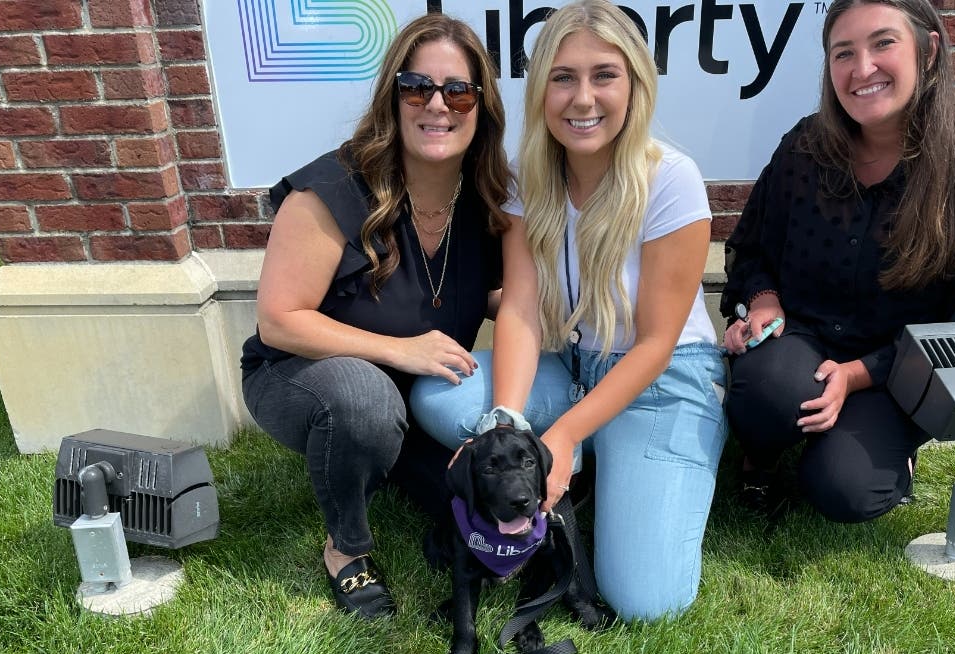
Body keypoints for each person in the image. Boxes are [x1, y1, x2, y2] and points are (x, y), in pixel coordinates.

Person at [412, 0, 727, 621]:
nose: (583, 98)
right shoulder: (529, 179)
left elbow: (657, 344)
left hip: (666, 380)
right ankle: (592, 458)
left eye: (604, 75)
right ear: (541, 91)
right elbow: (523, 309)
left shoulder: (672, 179)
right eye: (563, 77)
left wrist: (560, 435)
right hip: (577, 366)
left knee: (647, 601)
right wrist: (505, 417)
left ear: (635, 83)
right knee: (437, 397)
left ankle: (620, 458)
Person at [240, 14, 511, 619]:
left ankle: (376, 457)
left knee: (472, 501)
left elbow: (473, 293)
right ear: (393, 97)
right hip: (302, 373)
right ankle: (347, 548)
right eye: (417, 87)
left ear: (481, 107)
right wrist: (402, 350)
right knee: (363, 404)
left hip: (415, 395)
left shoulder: (484, 198)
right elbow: (280, 320)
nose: (437, 105)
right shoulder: (332, 189)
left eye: (458, 90)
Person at [721, 0, 955, 522]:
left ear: (928, 50)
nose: (862, 69)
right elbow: (752, 247)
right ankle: (761, 455)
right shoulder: (805, 147)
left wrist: (857, 374)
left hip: (902, 365)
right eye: (844, 53)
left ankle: (889, 455)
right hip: (805, 337)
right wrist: (762, 301)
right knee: (765, 393)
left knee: (846, 489)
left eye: (883, 44)